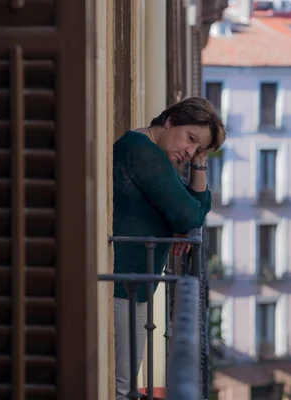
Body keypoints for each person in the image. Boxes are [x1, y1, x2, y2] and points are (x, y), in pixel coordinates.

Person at [112, 97, 226, 399]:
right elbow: (191, 215)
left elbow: (192, 217)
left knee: (126, 384)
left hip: (134, 285)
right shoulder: (140, 150)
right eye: (190, 140)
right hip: (123, 284)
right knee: (122, 387)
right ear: (170, 121)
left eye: (197, 149)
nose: (189, 152)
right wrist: (182, 219)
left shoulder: (157, 158)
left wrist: (200, 162)